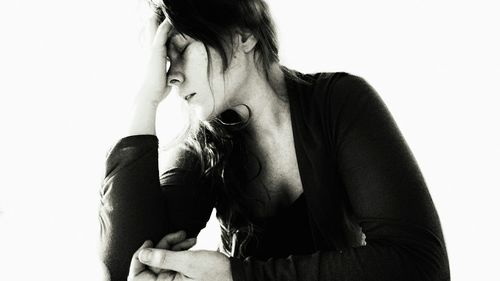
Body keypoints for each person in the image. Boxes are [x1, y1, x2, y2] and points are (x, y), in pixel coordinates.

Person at [98, 0, 450, 280]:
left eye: (181, 48)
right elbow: (126, 268)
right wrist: (145, 100)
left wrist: (240, 276)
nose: (170, 75)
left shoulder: (339, 103)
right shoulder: (202, 148)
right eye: (162, 58)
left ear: (243, 34)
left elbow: (421, 265)